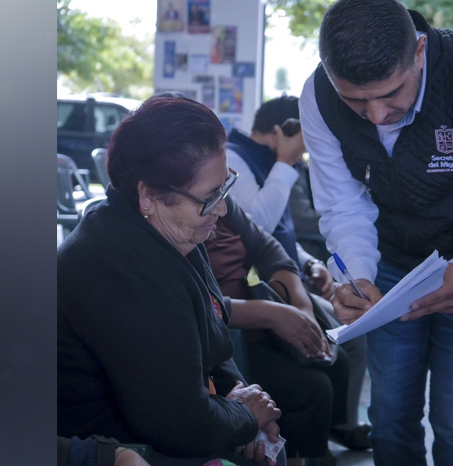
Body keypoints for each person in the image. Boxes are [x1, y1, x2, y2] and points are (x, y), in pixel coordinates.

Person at [58, 96, 286, 466]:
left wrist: (244, 397)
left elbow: (214, 339)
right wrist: (246, 416)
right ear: (149, 196)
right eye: (210, 198)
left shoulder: (170, 233)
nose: (222, 209)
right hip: (122, 449)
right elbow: (179, 425)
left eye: (225, 187)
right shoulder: (118, 267)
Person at [299, 0, 453, 465]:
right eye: (356, 101)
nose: (376, 115)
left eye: (392, 93)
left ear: (419, 51)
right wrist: (357, 277)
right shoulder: (317, 96)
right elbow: (343, 204)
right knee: (390, 417)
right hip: (391, 269)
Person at [205, 196, 370, 465]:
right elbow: (203, 304)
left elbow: (267, 247)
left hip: (260, 318)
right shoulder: (181, 228)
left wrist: (302, 308)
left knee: (335, 359)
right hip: (231, 336)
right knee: (311, 387)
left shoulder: (221, 200)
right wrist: (274, 314)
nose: (222, 206)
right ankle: (301, 453)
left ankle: (317, 446)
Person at [225, 96, 334, 300]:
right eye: (302, 145)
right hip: (260, 290)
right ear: (280, 133)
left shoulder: (269, 161)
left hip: (288, 278)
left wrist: (308, 263)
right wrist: (286, 160)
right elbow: (260, 224)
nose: (301, 156)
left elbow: (279, 230)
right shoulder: (232, 159)